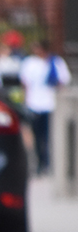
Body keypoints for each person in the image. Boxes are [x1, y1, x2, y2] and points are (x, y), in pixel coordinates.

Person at [19, 40, 71, 175]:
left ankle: (49, 162)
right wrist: (24, 101)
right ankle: (39, 162)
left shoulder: (55, 62)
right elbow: (25, 83)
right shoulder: (30, 63)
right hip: (34, 104)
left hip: (51, 104)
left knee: (49, 136)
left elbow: (63, 81)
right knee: (37, 135)